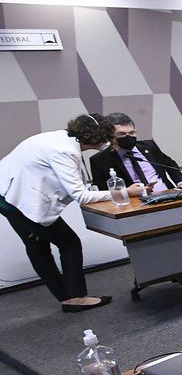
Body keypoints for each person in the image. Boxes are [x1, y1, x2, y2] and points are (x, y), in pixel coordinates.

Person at [0, 113, 145, 312]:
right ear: (98, 138)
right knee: (69, 243)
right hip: (15, 201)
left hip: (7, 195)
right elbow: (81, 195)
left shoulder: (60, 137)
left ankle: (67, 298)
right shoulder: (64, 151)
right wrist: (124, 191)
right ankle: (76, 298)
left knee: (38, 248)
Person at [90, 112, 182, 298]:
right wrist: (132, 191)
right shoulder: (100, 160)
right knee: (174, 241)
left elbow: (168, 163)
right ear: (110, 136)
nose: (129, 138)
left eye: (132, 133)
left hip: (171, 199)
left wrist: (180, 183)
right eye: (122, 135)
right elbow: (105, 191)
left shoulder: (147, 146)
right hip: (139, 208)